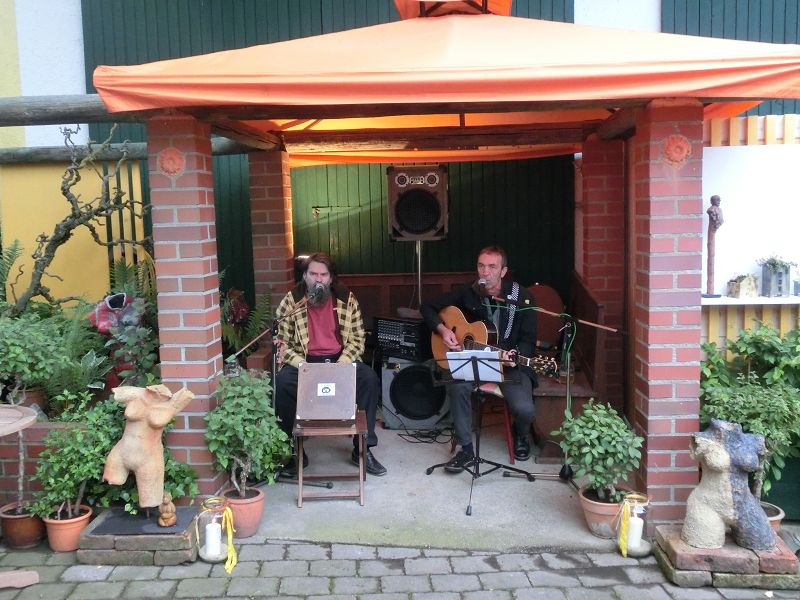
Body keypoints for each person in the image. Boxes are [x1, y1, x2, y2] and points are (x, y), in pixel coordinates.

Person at [420, 246, 538, 473]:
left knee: (525, 410)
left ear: (503, 271)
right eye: (481, 266)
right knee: (458, 388)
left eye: (492, 267)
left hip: (508, 365)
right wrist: (443, 330)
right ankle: (466, 449)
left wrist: (514, 356)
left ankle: (521, 434)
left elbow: (528, 340)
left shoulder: (522, 298)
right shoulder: (469, 292)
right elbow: (427, 307)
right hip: (475, 361)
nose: (485, 272)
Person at [274, 252, 386, 476]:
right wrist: (303, 365)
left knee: (368, 379)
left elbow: (357, 339)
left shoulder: (346, 299)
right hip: (305, 362)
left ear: (331, 278)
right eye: (313, 274)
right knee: (282, 383)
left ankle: (362, 448)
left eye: (323, 275)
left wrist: (340, 365)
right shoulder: (292, 300)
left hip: (339, 360)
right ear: (304, 276)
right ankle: (294, 452)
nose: (318, 279)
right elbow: (281, 342)